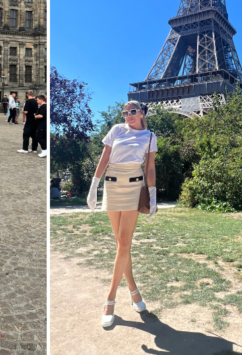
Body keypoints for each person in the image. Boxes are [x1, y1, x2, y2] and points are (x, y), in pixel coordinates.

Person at [87, 101, 158, 326]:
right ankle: (133, 290)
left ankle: (110, 299)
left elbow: (149, 167)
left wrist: (153, 193)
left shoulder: (149, 136)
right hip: (112, 185)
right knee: (120, 245)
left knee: (125, 242)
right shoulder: (117, 129)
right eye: (125, 112)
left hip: (134, 187)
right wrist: (94, 185)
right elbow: (105, 157)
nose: (128, 115)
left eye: (133, 112)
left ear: (143, 113)